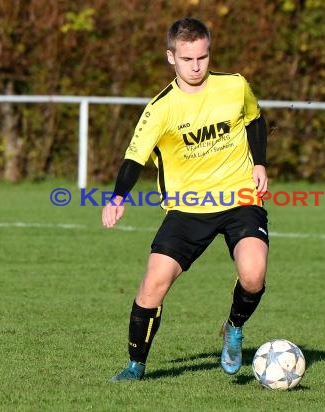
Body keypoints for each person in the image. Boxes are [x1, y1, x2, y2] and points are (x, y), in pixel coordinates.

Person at [102, 17, 269, 381]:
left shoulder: (235, 86)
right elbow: (134, 157)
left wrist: (260, 163)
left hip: (241, 197)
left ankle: (234, 327)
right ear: (171, 57)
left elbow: (255, 120)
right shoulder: (160, 109)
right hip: (187, 208)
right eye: (188, 59)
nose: (196, 66)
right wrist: (117, 197)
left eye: (203, 57)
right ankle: (135, 366)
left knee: (253, 275)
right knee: (152, 285)